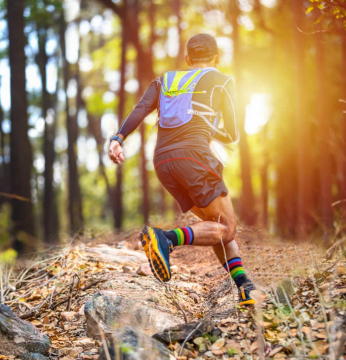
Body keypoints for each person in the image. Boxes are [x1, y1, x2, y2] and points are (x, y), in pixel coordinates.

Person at [108, 33, 255, 306]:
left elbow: (141, 108)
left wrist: (118, 138)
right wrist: (212, 130)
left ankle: (246, 289)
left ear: (187, 59)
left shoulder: (165, 80)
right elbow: (233, 132)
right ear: (216, 58)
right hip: (195, 158)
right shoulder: (222, 81)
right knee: (228, 228)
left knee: (216, 227)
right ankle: (165, 238)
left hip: (163, 161)